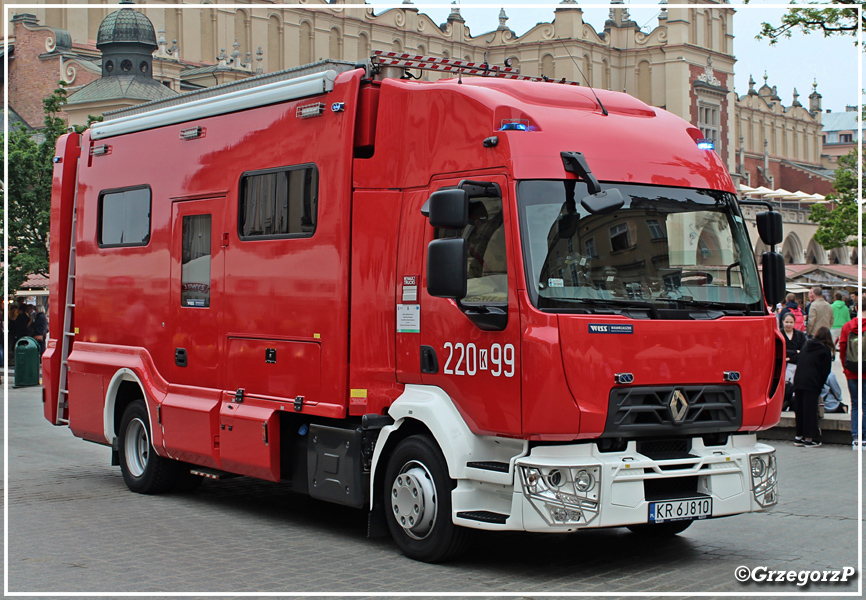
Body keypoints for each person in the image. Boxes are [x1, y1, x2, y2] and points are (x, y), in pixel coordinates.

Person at [792, 326, 834, 448]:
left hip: (799, 380)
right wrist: (819, 386)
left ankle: (799, 436)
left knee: (799, 409)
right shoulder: (824, 350)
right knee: (809, 410)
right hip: (812, 382)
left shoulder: (807, 346)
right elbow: (825, 371)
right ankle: (810, 438)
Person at [839, 316, 862, 450]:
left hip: (852, 372)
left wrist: (845, 368)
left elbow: (842, 348)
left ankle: (856, 438)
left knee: (855, 404)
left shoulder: (847, 326)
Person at [780, 312, 807, 411]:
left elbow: (803, 351)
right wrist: (795, 351)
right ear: (783, 322)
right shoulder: (780, 334)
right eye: (786, 322)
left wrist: (790, 357)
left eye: (791, 322)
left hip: (796, 365)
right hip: (784, 366)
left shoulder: (800, 335)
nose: (788, 324)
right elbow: (780, 350)